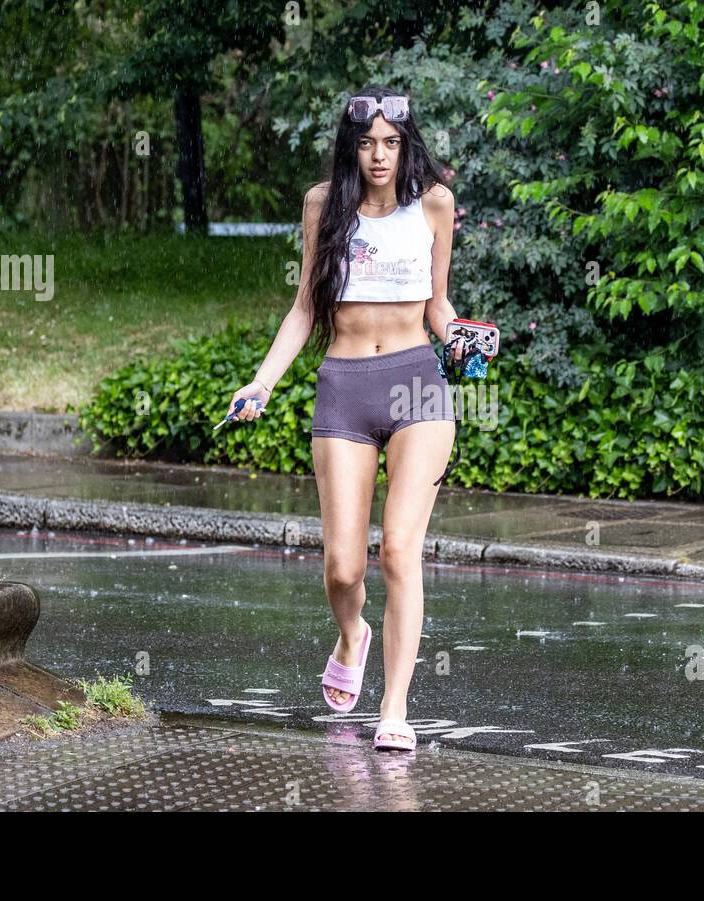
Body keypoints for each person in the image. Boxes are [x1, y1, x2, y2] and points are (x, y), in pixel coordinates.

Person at [227, 85, 464, 751]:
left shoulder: (435, 205)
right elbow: (306, 307)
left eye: (390, 142)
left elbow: (440, 307)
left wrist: (466, 337)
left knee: (398, 550)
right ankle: (352, 633)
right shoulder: (323, 205)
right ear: (352, 146)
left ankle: (394, 707)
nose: (379, 155)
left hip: (417, 382)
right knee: (341, 568)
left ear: (406, 145)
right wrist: (263, 381)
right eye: (367, 143)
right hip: (344, 386)